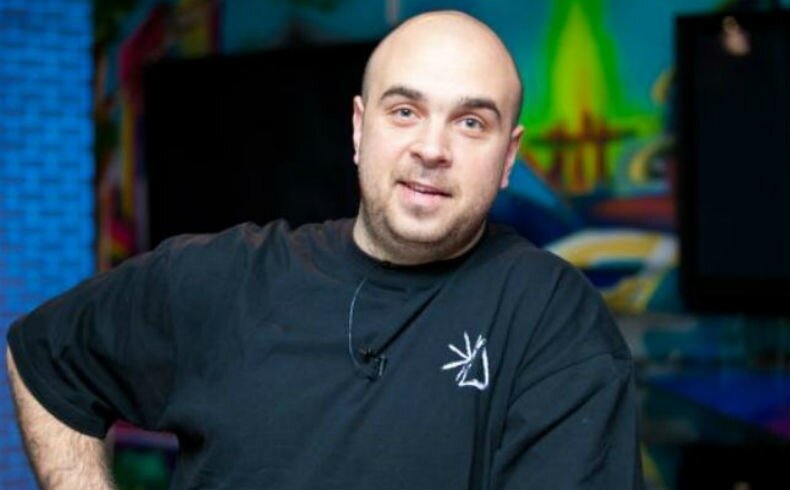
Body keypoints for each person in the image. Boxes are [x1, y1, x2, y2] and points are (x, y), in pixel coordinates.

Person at [6, 10, 643, 490]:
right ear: (360, 129)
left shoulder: (549, 317)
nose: (432, 148)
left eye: (471, 123)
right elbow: (44, 358)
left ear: (508, 156)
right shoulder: (223, 277)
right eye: (405, 111)